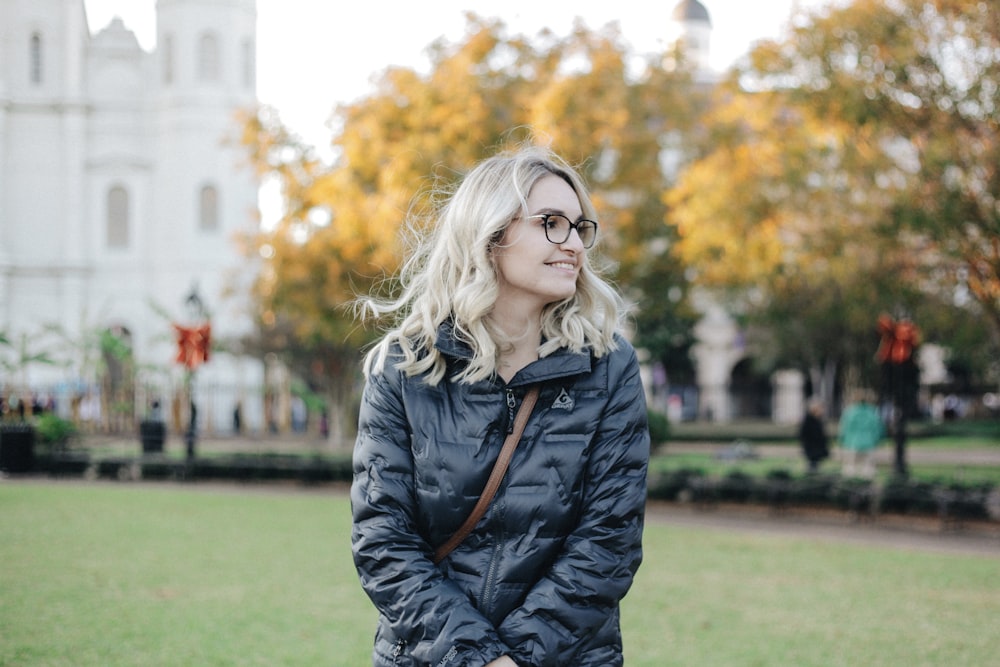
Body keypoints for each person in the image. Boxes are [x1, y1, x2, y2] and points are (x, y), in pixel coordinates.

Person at [351, 145, 650, 667]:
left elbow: (609, 540)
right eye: (551, 223)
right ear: (490, 234)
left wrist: (516, 660)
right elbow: (383, 540)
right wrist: (479, 658)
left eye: (580, 228)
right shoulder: (404, 367)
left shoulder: (608, 365)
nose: (573, 244)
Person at [838, 389, 884, 479]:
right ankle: (867, 489)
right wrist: (877, 439)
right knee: (868, 470)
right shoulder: (872, 411)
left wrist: (841, 440)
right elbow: (878, 428)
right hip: (869, 442)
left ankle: (848, 489)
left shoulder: (849, 412)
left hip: (851, 442)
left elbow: (843, 428)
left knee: (850, 468)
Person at [798, 398, 829, 473]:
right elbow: (804, 435)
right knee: (812, 464)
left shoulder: (818, 420)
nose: (823, 411)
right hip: (812, 448)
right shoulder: (809, 421)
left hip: (817, 448)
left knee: (815, 464)